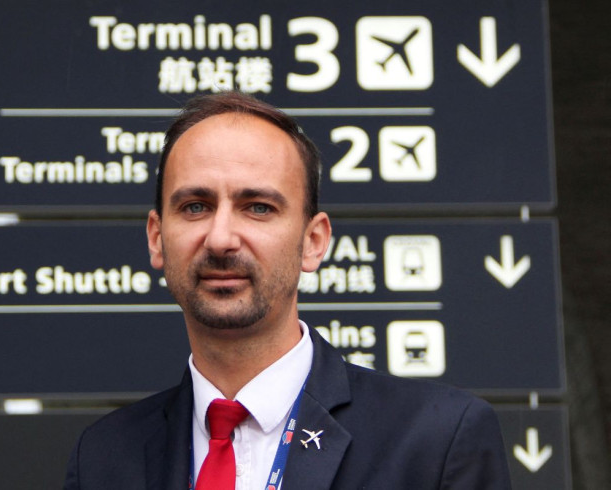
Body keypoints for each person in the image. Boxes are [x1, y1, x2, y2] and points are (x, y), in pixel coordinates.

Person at [64, 92, 511, 489]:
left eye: (257, 207)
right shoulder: (104, 458)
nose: (221, 238)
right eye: (195, 206)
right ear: (157, 238)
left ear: (313, 242)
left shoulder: (436, 441)